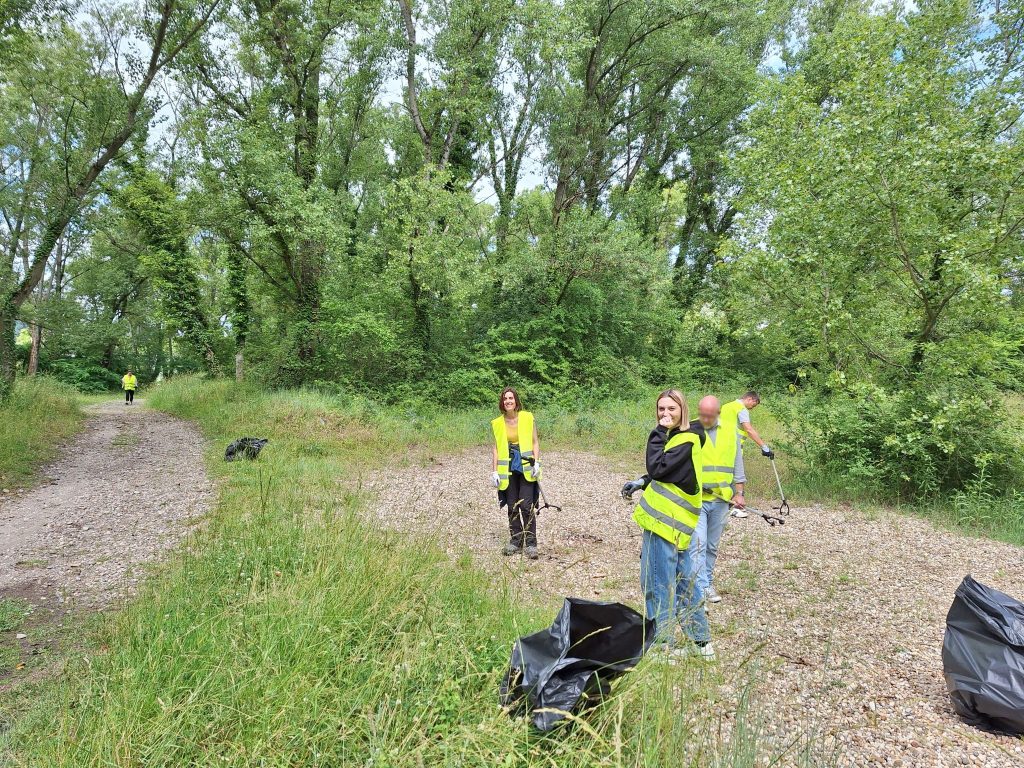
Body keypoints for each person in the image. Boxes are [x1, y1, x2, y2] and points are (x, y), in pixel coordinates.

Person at [621, 389, 714, 660]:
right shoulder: (688, 438)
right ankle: (701, 644)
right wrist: (642, 481)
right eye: (661, 409)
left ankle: (662, 645)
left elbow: (658, 468)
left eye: (671, 409)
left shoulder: (679, 439)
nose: (665, 414)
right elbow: (671, 473)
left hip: (665, 524)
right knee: (686, 582)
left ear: (683, 410)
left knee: (657, 582)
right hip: (680, 525)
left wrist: (657, 433)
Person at [687, 396, 745, 605]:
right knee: (698, 544)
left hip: (722, 499)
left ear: (718, 413)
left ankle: (707, 582)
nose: (705, 419)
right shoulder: (690, 430)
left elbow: (738, 462)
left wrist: (739, 492)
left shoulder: (731, 431)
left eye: (709, 416)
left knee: (711, 545)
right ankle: (700, 589)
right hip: (697, 498)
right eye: (702, 415)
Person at [491, 387, 542, 559]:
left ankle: (531, 544)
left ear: (516, 401)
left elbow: (535, 442)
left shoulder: (527, 417)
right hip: (508, 468)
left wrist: (537, 462)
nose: (508, 401)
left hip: (526, 466)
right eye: (505, 399)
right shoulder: (497, 423)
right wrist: (495, 471)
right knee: (512, 505)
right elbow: (496, 448)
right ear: (502, 402)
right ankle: (515, 541)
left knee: (526, 505)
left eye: (511, 398)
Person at [720, 391, 772, 518]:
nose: (752, 408)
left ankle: (724, 506)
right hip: (734, 447)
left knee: (724, 476)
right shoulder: (741, 409)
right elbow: (748, 429)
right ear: (750, 399)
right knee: (737, 475)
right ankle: (735, 506)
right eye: (754, 405)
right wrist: (763, 446)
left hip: (719, 447)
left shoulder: (726, 406)